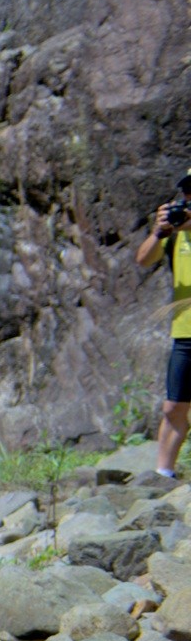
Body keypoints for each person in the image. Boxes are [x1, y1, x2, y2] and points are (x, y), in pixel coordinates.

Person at [132, 168, 191, 480]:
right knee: (173, 408)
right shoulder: (176, 232)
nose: (189, 200)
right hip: (185, 331)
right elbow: (142, 259)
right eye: (187, 193)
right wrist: (159, 232)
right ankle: (163, 474)